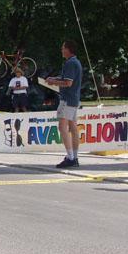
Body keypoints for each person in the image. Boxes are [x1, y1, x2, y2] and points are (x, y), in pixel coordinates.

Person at [46, 40, 82, 168]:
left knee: (62, 127)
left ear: (68, 49)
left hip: (67, 99)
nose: (61, 50)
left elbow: (68, 83)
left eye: (63, 48)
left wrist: (53, 82)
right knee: (73, 127)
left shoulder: (70, 63)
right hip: (74, 99)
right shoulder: (75, 62)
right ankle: (75, 157)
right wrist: (54, 79)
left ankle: (70, 157)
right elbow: (65, 79)